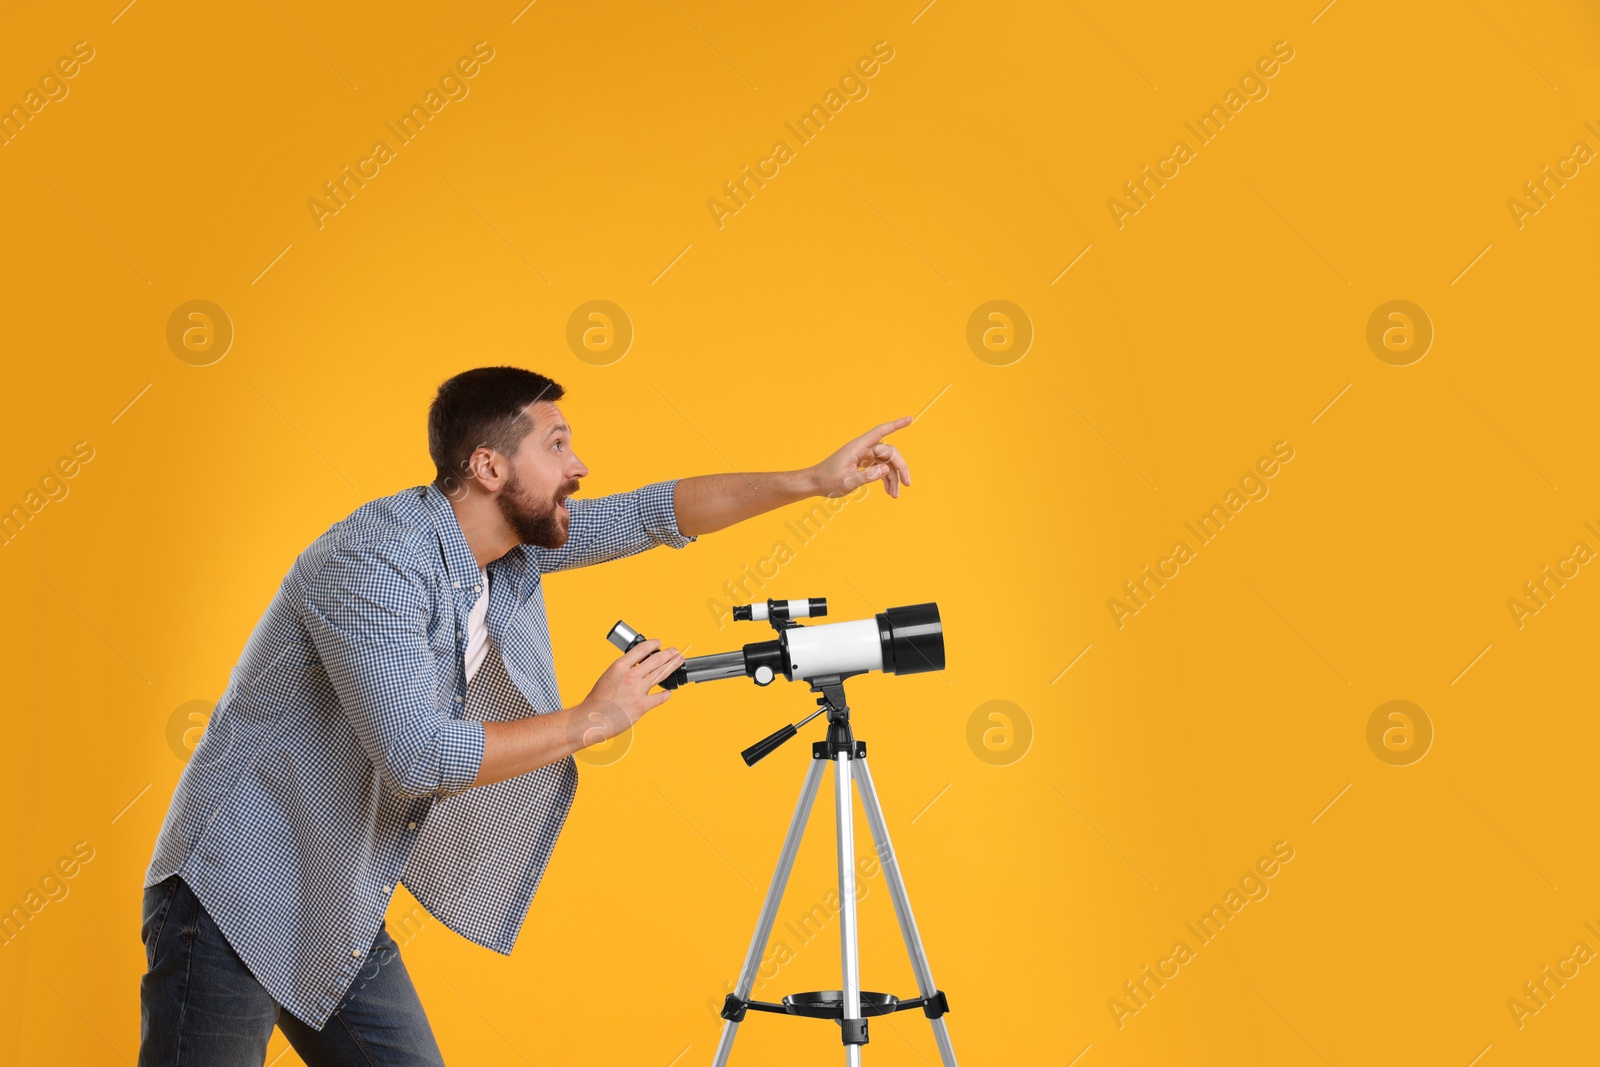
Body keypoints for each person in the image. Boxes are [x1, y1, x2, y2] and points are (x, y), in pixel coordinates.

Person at [137, 365, 913, 1066]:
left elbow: (652, 513)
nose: (579, 466)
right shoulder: (373, 560)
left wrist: (812, 480)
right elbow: (417, 756)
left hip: (338, 895)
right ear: (489, 466)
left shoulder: (510, 550)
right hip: (232, 890)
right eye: (558, 444)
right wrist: (590, 720)